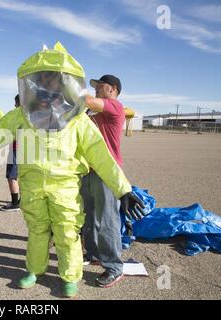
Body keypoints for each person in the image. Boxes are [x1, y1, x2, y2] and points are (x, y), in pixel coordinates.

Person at [0, 42, 146, 298]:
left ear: (64, 84)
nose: (48, 87)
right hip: (33, 185)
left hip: (65, 187)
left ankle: (69, 277)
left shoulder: (77, 118)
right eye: (43, 81)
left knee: (67, 232)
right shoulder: (23, 115)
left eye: (54, 82)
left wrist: (123, 189)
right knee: (37, 230)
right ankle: (34, 270)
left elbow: (100, 155)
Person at [81, 74, 134, 287]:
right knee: (89, 215)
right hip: (89, 171)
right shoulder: (93, 112)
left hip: (108, 172)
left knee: (107, 219)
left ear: (112, 89)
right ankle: (93, 253)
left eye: (99, 86)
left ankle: (114, 266)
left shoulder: (115, 106)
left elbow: (84, 100)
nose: (95, 89)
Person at [1, 94, 21, 212]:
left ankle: (14, 204)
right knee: (25, 176)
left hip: (16, 148)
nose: (14, 105)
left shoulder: (16, 115)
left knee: (12, 176)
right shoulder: (33, 115)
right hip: (30, 150)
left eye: (16, 103)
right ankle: (23, 201)